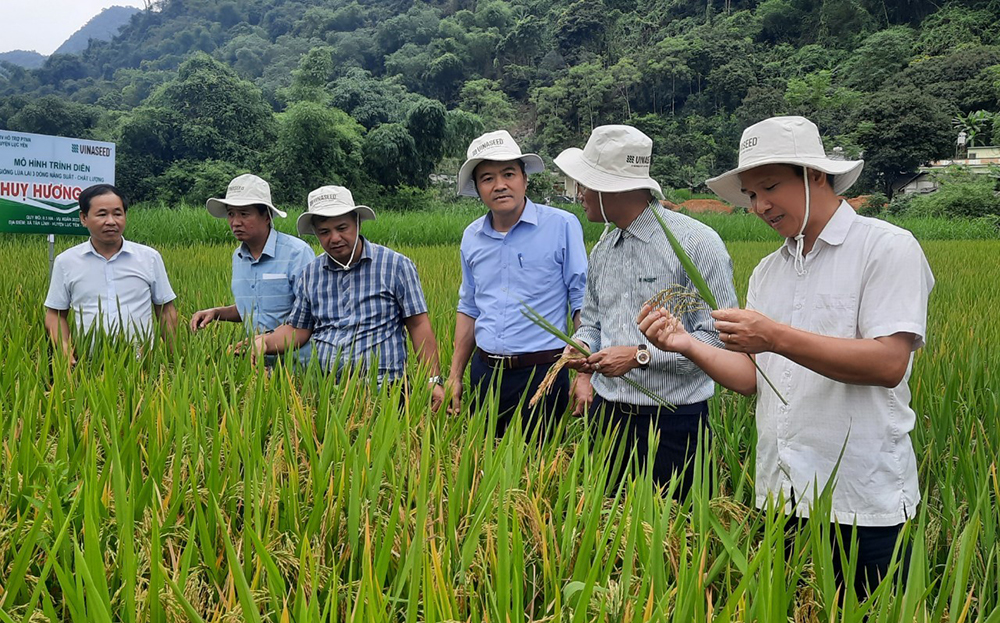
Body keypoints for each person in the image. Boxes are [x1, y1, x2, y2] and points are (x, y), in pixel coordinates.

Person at [637, 115, 934, 598]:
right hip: (782, 495)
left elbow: (887, 364)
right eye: (752, 195)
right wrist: (686, 343)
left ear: (815, 175)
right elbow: (754, 378)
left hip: (862, 500)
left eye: (770, 187)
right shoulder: (768, 272)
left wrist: (774, 336)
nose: (760, 205)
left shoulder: (885, 248)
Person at [554, 125, 738, 497]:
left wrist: (639, 357)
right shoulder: (604, 247)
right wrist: (581, 346)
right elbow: (592, 320)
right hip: (607, 418)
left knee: (677, 540)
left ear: (612, 188)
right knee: (608, 531)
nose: (580, 195)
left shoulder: (696, 243)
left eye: (585, 185)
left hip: (673, 423)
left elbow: (718, 341)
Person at [250, 185, 445, 410]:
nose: (334, 238)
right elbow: (298, 330)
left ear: (357, 223)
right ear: (315, 232)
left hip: (385, 388)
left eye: (342, 228)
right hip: (325, 389)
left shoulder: (396, 266)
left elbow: (419, 324)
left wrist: (432, 381)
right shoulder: (310, 273)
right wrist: (263, 342)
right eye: (324, 232)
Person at [447, 130, 588, 437]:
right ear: (477, 188)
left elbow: (581, 300)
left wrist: (585, 372)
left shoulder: (562, 226)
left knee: (540, 472)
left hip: (543, 374)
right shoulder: (472, 236)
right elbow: (469, 307)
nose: (499, 185)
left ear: (525, 179)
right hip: (485, 373)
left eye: (508, 174)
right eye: (487, 178)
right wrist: (455, 374)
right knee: (484, 468)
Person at [190, 174, 315, 365]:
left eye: (244, 214)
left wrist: (268, 340)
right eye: (231, 214)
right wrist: (216, 313)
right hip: (257, 364)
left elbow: (311, 314)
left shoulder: (297, 253)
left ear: (266, 216)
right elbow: (253, 309)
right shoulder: (238, 258)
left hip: (300, 364)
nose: (235, 222)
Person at [44, 183, 178, 362]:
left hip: (142, 365)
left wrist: (174, 360)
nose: (111, 221)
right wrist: (64, 350)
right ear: (84, 218)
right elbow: (55, 314)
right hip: (87, 364)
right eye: (102, 214)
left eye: (117, 213)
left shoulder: (149, 258)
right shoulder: (66, 261)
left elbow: (165, 310)